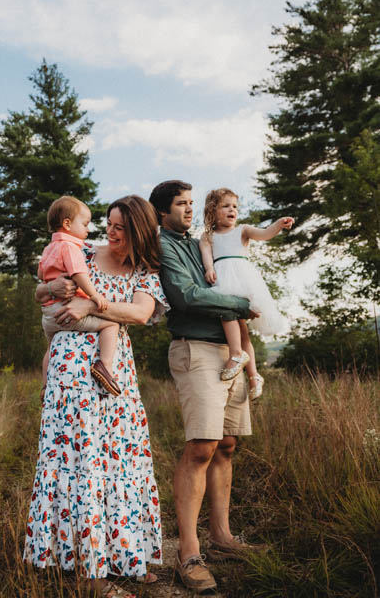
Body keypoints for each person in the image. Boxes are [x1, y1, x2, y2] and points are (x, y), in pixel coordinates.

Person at [25, 195, 169, 598]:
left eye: (120, 226)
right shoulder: (81, 249)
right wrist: (50, 287)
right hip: (70, 366)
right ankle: (90, 572)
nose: (110, 231)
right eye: (108, 222)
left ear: (138, 231)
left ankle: (126, 555)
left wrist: (90, 302)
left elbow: (140, 314)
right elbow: (43, 293)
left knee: (120, 460)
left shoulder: (146, 271)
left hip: (112, 370)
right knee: (81, 461)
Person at [149, 180, 266, 595]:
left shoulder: (203, 240)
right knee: (201, 445)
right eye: (180, 203)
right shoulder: (164, 245)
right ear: (162, 210)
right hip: (194, 349)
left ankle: (222, 537)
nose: (188, 208)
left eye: (190, 203)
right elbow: (186, 296)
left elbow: (232, 268)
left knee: (228, 444)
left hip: (229, 350)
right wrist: (239, 304)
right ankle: (189, 553)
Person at [200, 188, 293, 399]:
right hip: (222, 278)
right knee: (238, 326)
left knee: (233, 319)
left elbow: (264, 234)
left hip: (242, 279)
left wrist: (278, 225)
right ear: (213, 211)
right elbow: (206, 255)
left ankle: (243, 363)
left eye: (234, 206)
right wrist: (209, 269)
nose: (232, 210)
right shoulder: (208, 236)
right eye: (226, 206)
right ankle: (253, 372)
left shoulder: (243, 230)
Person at [39, 195, 121, 396]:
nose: (88, 229)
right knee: (111, 324)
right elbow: (79, 274)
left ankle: (44, 385)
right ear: (67, 224)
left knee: (51, 346)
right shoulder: (71, 247)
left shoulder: (49, 248)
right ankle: (105, 366)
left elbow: (41, 277)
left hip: (48, 314)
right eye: (85, 224)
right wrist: (94, 296)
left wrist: (50, 286)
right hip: (66, 310)